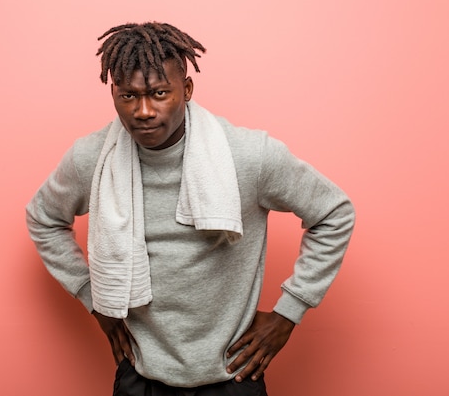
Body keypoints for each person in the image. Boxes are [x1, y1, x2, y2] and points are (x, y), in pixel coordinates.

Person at [26, 22, 355, 396]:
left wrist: (288, 312)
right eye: (128, 96)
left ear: (187, 89)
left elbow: (334, 213)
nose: (143, 111)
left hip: (233, 376)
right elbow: (44, 218)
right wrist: (93, 297)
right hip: (141, 375)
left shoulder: (248, 156)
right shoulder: (93, 158)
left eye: (159, 93)